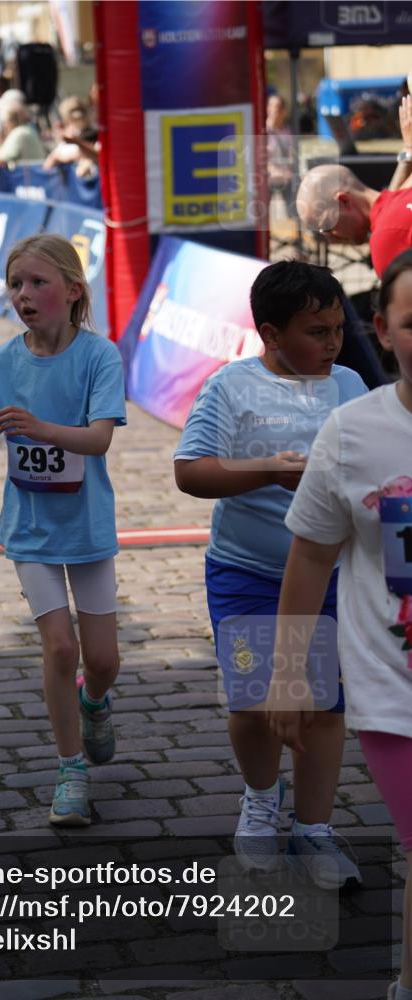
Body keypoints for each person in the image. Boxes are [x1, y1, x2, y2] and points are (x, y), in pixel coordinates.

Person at [174, 260, 368, 884]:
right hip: (248, 571)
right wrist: (268, 471)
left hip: (335, 574)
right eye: (317, 331)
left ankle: (314, 832)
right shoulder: (230, 387)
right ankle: (261, 798)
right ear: (270, 333)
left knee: (325, 705)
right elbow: (191, 471)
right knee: (256, 701)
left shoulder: (351, 386)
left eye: (338, 327)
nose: (333, 342)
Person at [267, 250, 412, 1000]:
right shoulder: (351, 433)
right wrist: (292, 673)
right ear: (383, 331)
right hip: (395, 690)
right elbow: (311, 557)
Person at [0, 234, 126, 826]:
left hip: (88, 526)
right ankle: (70, 768)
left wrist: (42, 428)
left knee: (102, 659)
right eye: (16, 285)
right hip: (29, 530)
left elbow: (98, 439)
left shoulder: (99, 357)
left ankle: (93, 700)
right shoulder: (1, 362)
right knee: (61, 646)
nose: (24, 295)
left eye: (38, 283)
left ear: (73, 292)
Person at [296, 94, 412, 277]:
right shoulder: (406, 188)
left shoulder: (384, 241)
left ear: (343, 201)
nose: (331, 239)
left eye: (327, 226)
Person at [265, 94, 295, 217]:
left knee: (292, 210)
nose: (275, 110)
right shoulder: (262, 130)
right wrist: (273, 170)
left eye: (278, 107)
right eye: (272, 106)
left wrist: (291, 171)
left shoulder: (288, 131)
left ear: (284, 111)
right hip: (267, 177)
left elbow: (292, 154)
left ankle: (295, 230)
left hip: (286, 177)